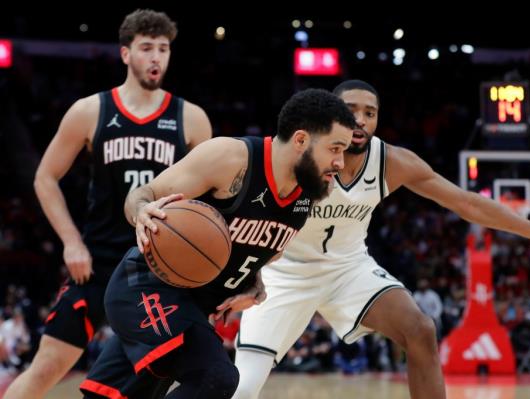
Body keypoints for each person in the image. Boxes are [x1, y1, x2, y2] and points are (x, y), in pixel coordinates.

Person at [233, 80, 530, 399]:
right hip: (285, 274)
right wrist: (250, 271)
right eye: (350, 111)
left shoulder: (391, 161)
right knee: (244, 387)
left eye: (369, 113)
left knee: (420, 329)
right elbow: (251, 213)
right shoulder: (299, 157)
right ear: (331, 114)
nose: (360, 120)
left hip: (347, 269)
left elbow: (465, 202)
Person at [79, 88, 356, 399]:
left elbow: (262, 249)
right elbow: (144, 193)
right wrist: (142, 212)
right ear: (301, 140)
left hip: (192, 309)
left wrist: (255, 281)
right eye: (335, 148)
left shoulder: (306, 195)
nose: (340, 162)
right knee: (217, 378)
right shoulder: (231, 159)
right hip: (146, 288)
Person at [3, 9, 212, 399]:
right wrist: (71, 242)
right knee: (45, 369)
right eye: (146, 48)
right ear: (125, 54)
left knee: (158, 381)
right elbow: (45, 177)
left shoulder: (192, 119)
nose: (156, 58)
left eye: (163, 49)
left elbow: (211, 196)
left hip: (159, 270)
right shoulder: (91, 111)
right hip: (97, 265)